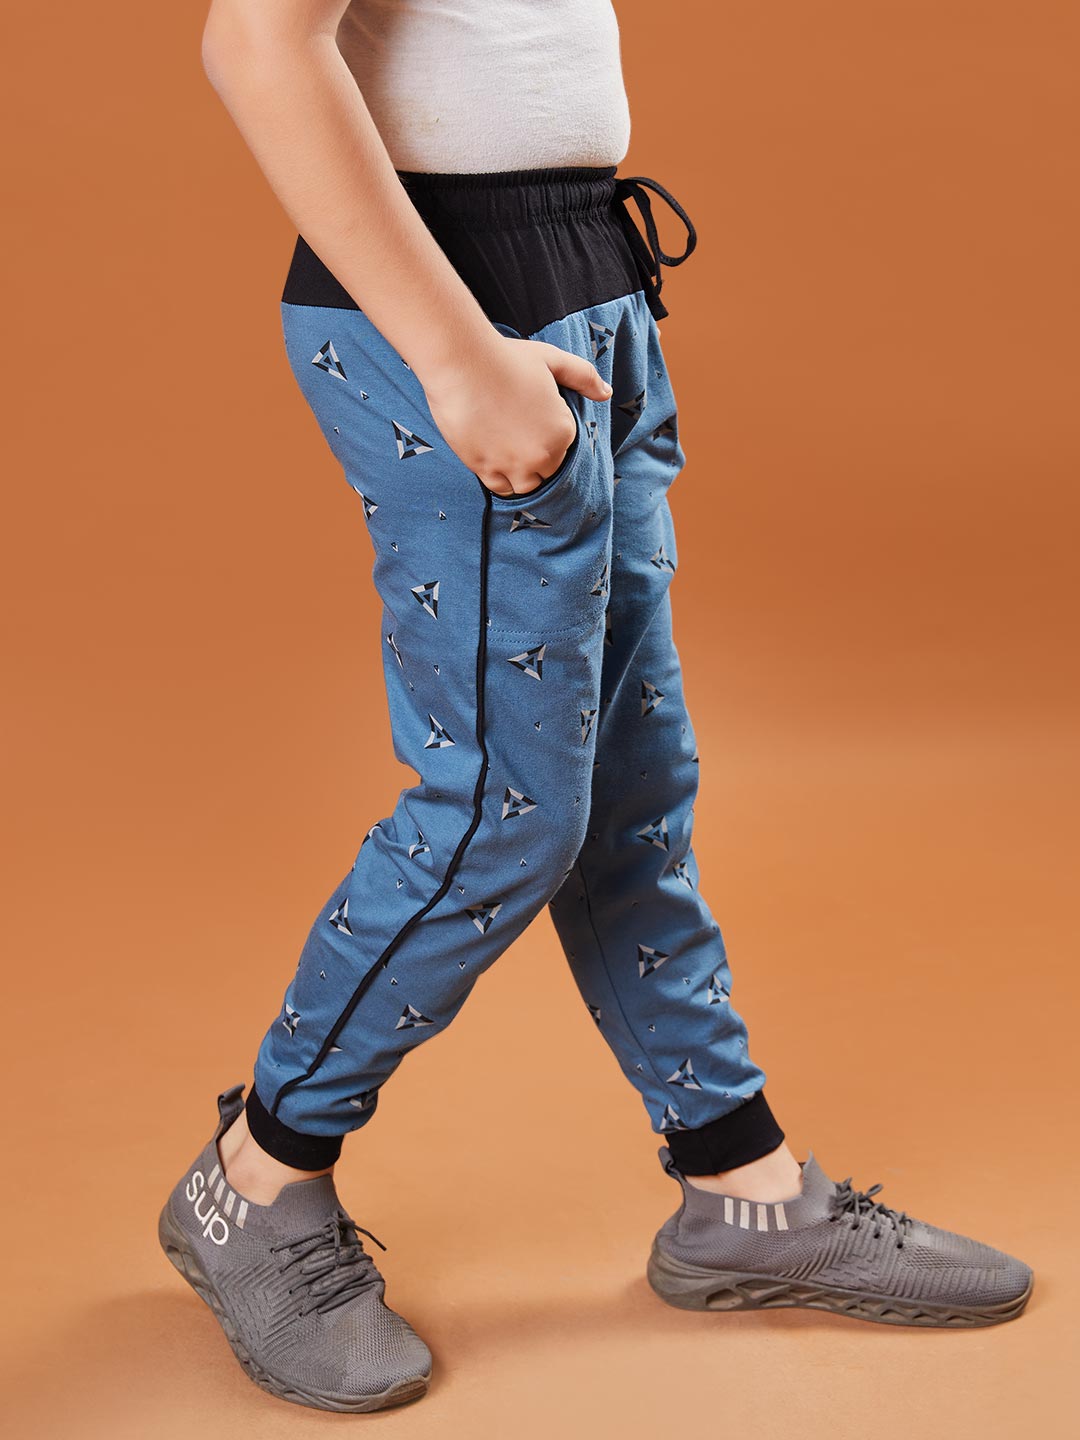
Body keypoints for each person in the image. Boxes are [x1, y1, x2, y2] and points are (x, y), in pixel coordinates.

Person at [159, 0, 1033, 1414]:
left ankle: (742, 1187)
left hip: (580, 276)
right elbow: (258, 40)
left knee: (630, 789)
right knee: (503, 812)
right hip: (457, 301)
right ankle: (255, 1174)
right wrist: (460, 359)